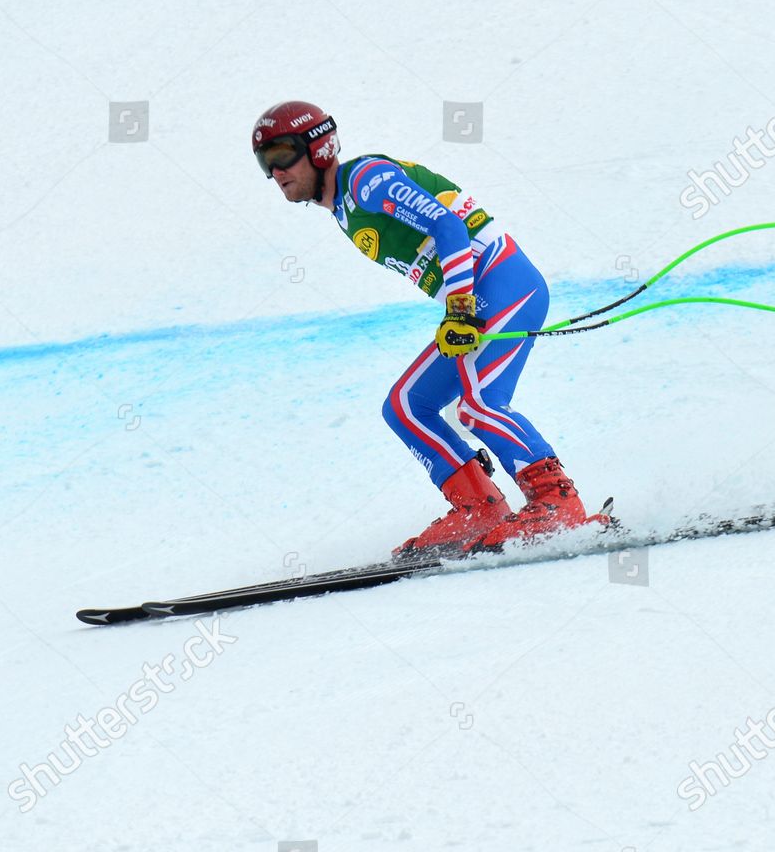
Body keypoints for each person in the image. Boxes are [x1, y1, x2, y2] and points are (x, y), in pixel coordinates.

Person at [252, 100, 608, 557]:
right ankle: (479, 507)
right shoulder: (343, 207)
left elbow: (448, 226)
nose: (276, 171)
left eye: (283, 154)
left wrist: (459, 308)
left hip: (503, 284)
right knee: (407, 405)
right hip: (477, 301)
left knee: (479, 406)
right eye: (266, 161)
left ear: (320, 148)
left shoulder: (365, 180)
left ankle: (558, 502)